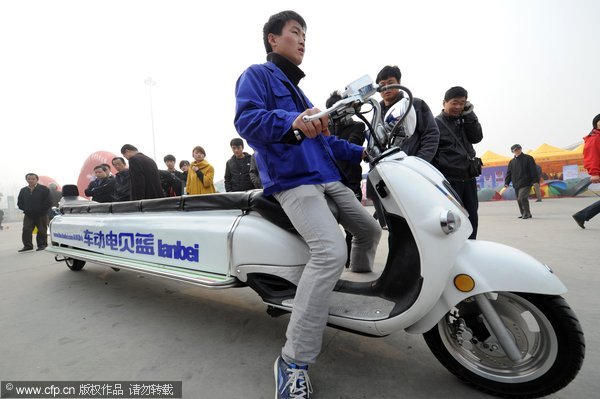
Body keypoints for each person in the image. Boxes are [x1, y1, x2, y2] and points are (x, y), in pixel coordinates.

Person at [234, 10, 381, 398]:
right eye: (295, 32)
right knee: (329, 251)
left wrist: (363, 151)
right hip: (293, 182)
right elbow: (247, 121)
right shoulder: (257, 76)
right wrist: (292, 121)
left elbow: (324, 141)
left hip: (327, 179)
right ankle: (292, 360)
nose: (302, 40)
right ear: (272, 39)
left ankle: (354, 285)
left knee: (369, 229)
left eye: (305, 35)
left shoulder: (304, 95)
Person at [433, 86, 483, 239]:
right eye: (454, 103)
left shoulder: (465, 120)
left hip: (468, 178)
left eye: (462, 103)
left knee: (472, 216)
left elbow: (477, 137)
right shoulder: (435, 124)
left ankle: (471, 247)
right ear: (444, 103)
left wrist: (469, 114)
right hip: (449, 180)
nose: (458, 107)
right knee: (452, 218)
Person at [326, 90, 367, 267]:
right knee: (329, 224)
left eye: (336, 109)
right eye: (330, 111)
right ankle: (335, 262)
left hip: (351, 182)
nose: (334, 114)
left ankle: (350, 263)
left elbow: (352, 147)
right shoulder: (326, 129)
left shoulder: (357, 126)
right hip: (329, 183)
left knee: (353, 226)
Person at [376, 65, 439, 161]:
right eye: (382, 84)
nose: (386, 88)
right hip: (387, 168)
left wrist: (419, 161)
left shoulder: (415, 104)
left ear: (399, 82)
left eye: (390, 83)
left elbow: (431, 134)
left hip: (412, 167)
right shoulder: (376, 112)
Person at [572, 113, 600, 228]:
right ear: (596, 124)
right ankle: (582, 215)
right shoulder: (594, 138)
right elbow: (591, 156)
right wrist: (594, 173)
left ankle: (582, 215)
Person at [17, 173, 51, 252]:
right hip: (28, 215)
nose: (31, 180)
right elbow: (20, 203)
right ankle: (28, 246)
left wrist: (42, 210)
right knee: (26, 229)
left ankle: (42, 245)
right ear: (26, 180)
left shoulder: (44, 189)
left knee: (42, 230)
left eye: (33, 179)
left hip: (41, 214)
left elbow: (48, 202)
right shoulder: (23, 190)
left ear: (37, 179)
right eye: (29, 179)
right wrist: (26, 209)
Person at [504, 144, 539, 219]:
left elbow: (533, 170)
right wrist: (507, 182)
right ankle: (525, 213)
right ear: (513, 151)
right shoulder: (511, 162)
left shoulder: (528, 158)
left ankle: (526, 213)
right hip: (516, 183)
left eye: (519, 148)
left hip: (526, 182)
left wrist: (535, 180)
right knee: (519, 199)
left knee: (522, 198)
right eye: (516, 150)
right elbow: (509, 173)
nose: (518, 150)